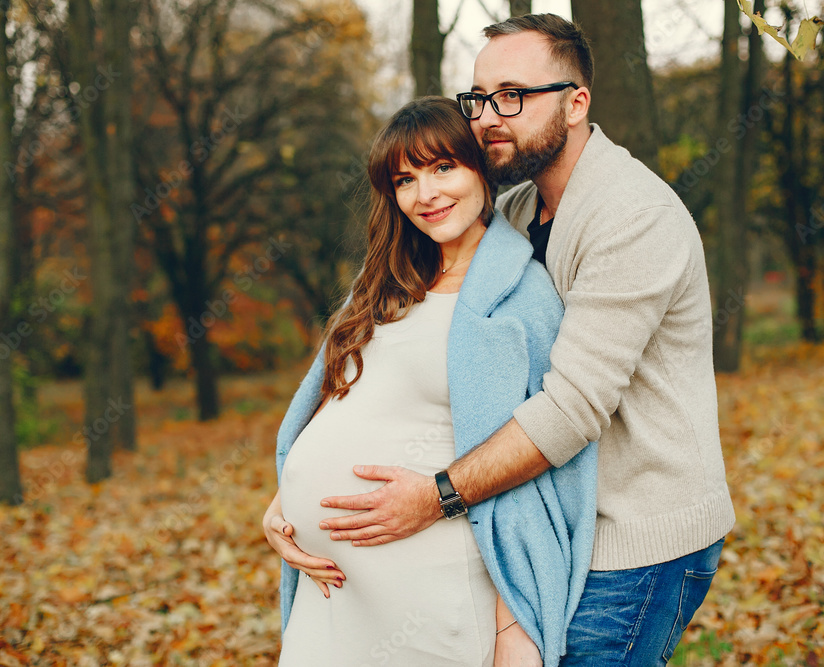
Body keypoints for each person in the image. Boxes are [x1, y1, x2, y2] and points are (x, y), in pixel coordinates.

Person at [312, 14, 736, 666]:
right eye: (479, 98)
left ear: (576, 103)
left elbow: (570, 410)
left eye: (512, 95)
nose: (487, 117)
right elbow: (423, 345)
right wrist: (298, 491)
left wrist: (437, 496)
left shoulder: (632, 218)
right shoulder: (514, 213)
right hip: (556, 527)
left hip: (637, 538)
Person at [263, 96, 597, 667]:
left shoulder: (521, 296)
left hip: (427, 593)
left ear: (481, 171)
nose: (427, 194)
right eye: (406, 178)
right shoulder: (380, 285)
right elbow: (346, 400)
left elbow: (539, 464)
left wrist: (512, 626)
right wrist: (284, 502)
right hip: (333, 591)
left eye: (444, 168)